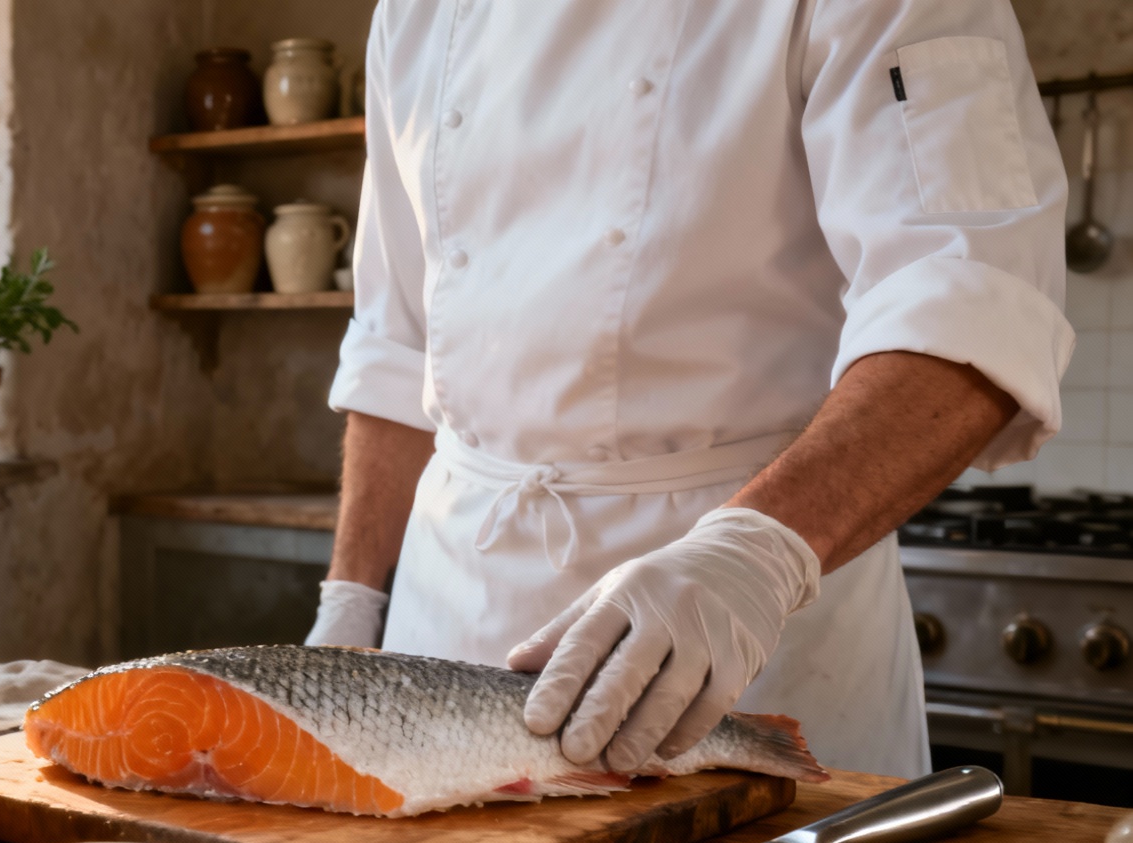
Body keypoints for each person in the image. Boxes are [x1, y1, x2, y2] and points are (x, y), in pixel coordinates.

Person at [305, 0, 1072, 779]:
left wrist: (753, 557)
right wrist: (352, 601)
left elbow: (970, 299)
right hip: (450, 619)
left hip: (741, 626)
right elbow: (396, 345)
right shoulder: (413, 13)